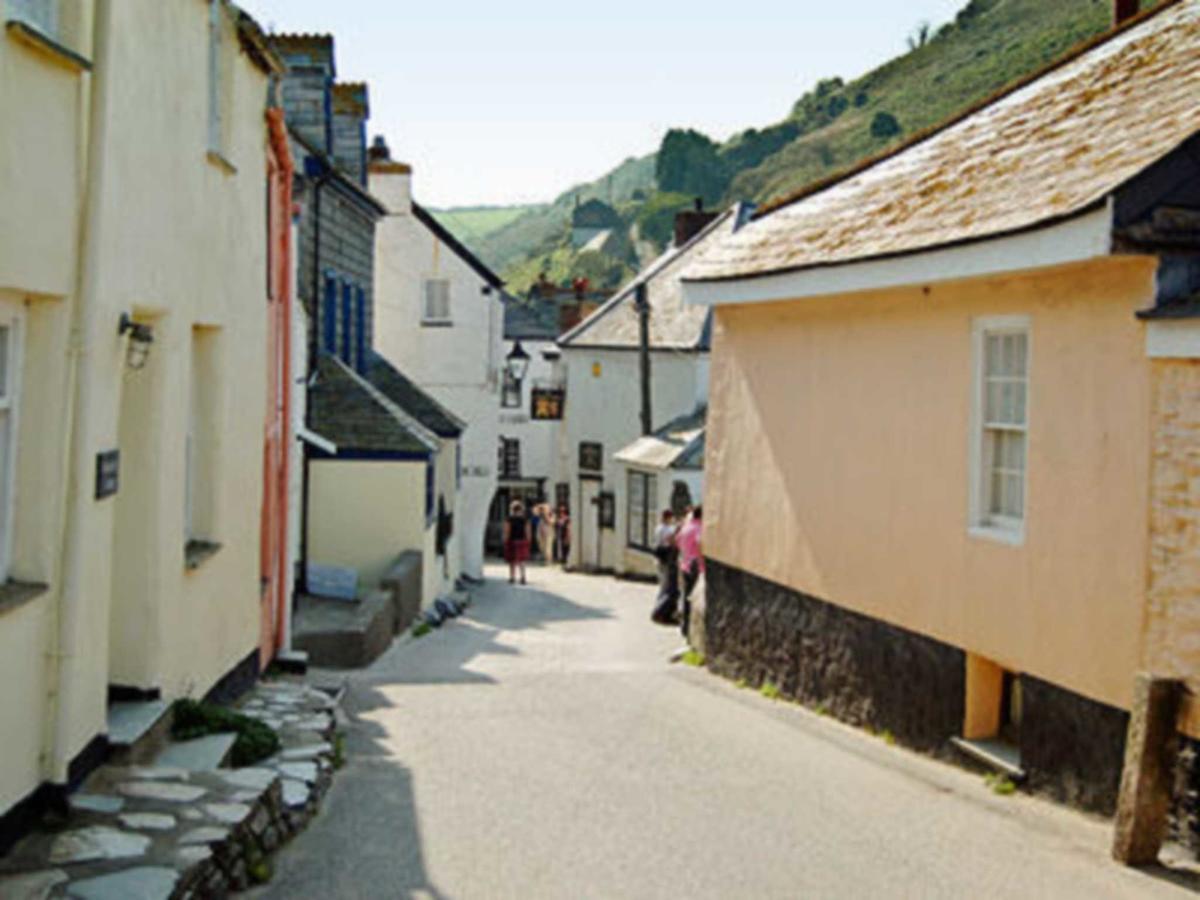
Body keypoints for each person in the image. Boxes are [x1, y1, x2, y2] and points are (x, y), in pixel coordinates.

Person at [676, 506, 704, 639]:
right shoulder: (698, 527)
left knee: (686, 596)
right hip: (694, 564)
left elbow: (677, 541)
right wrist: (701, 563)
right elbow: (699, 543)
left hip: (685, 563)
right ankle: (692, 631)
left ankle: (684, 627)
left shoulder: (686, 527)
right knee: (694, 597)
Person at [650, 510, 680, 625]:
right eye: (671, 518)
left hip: (659, 558)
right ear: (668, 518)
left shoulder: (659, 528)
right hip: (666, 558)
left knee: (662, 584)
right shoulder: (666, 529)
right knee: (666, 586)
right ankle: (659, 610)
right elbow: (670, 540)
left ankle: (659, 608)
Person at [503, 500, 531, 585]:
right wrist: (529, 540)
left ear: (512, 509)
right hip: (522, 540)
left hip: (512, 540)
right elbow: (528, 531)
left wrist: (505, 540)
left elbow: (507, 531)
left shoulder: (509, 519)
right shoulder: (525, 519)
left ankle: (512, 577)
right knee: (522, 560)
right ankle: (523, 577)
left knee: (512, 560)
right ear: (521, 509)